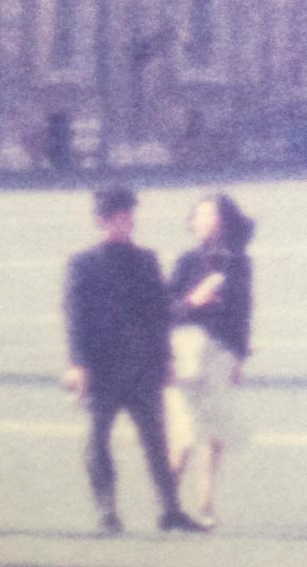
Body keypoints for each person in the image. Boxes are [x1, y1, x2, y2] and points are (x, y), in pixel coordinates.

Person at [62, 186, 205, 535]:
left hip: (144, 366)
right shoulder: (82, 264)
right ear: (101, 221)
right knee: (97, 439)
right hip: (101, 368)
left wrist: (167, 358)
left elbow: (158, 313)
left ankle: (170, 511)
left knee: (157, 441)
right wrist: (79, 363)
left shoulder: (146, 260)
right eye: (118, 216)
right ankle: (107, 511)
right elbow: (75, 316)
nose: (126, 221)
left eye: (128, 215)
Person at [168, 193, 254, 529]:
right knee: (186, 429)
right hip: (187, 351)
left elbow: (243, 313)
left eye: (210, 214)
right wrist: (193, 300)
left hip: (220, 353)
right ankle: (170, 499)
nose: (203, 220)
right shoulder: (186, 262)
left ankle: (205, 501)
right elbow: (165, 310)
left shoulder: (239, 263)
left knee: (215, 430)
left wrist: (238, 360)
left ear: (223, 221)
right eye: (199, 215)